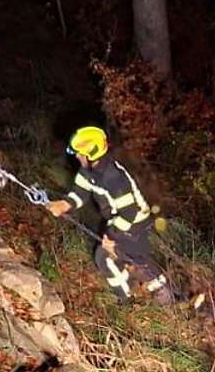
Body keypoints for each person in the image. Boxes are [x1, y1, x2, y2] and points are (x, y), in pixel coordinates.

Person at [50, 125, 171, 303]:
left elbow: (129, 212)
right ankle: (139, 290)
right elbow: (80, 193)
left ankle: (134, 299)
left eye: (79, 153)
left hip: (136, 222)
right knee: (122, 256)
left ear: (91, 154)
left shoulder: (114, 178)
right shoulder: (87, 171)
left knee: (106, 256)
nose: (76, 156)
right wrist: (64, 204)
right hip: (119, 220)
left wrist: (111, 236)